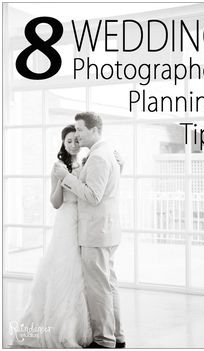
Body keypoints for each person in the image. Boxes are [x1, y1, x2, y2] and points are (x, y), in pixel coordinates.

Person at [9, 125, 93, 348]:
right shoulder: (58, 166)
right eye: (69, 141)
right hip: (66, 222)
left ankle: (82, 325)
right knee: (65, 269)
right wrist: (63, 179)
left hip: (84, 221)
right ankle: (63, 327)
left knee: (83, 272)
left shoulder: (87, 163)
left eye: (77, 140)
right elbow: (55, 203)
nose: (74, 144)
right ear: (63, 144)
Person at [54, 112, 126, 349]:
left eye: (81, 130)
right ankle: (118, 335)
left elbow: (93, 196)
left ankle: (104, 340)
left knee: (99, 288)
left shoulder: (97, 157)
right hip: (107, 230)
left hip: (96, 232)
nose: (78, 134)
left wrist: (66, 178)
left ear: (95, 130)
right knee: (109, 284)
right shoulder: (107, 153)